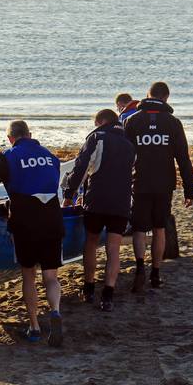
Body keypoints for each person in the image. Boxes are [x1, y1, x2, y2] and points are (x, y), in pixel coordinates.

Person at [0, 120, 64, 347]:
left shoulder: (9, 156)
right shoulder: (51, 157)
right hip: (52, 218)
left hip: (25, 221)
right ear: (30, 134)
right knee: (51, 276)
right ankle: (56, 312)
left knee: (28, 274)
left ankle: (34, 327)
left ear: (11, 138)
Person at [124, 82, 193, 292]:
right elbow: (183, 158)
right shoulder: (173, 122)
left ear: (147, 95)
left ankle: (139, 267)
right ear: (166, 98)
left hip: (139, 182)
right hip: (164, 183)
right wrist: (189, 190)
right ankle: (155, 272)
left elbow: (125, 157)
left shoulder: (132, 121)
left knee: (138, 228)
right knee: (159, 229)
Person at [62, 109, 134, 312]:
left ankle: (89, 287)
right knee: (113, 248)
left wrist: (69, 195)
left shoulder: (96, 137)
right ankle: (108, 294)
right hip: (121, 202)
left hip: (98, 200)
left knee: (91, 242)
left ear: (102, 121)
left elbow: (82, 167)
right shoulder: (129, 144)